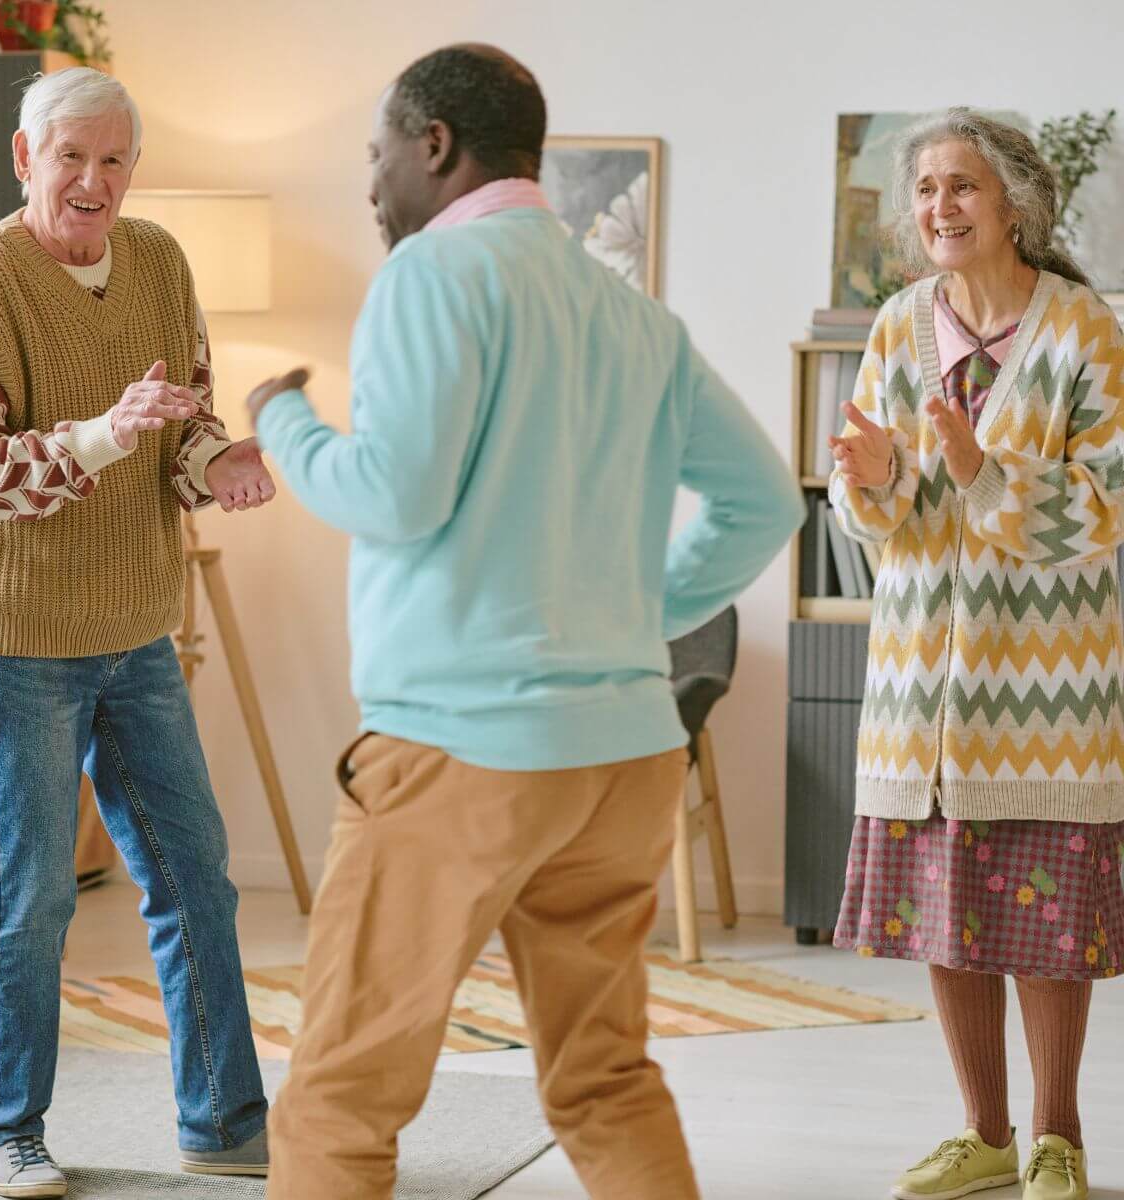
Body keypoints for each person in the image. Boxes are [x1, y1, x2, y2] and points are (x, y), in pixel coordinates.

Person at [245, 43, 803, 1200]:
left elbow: (392, 493)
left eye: (376, 154)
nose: (370, 186)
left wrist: (283, 417)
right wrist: (625, 620)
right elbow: (759, 501)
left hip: (462, 754)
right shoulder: (630, 313)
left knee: (340, 1095)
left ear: (434, 144)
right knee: (602, 1082)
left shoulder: (432, 277)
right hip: (621, 757)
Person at [0, 67, 271, 1196]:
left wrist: (218, 460)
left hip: (132, 622)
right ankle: (5, 1127)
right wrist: (110, 436)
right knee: (32, 890)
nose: (93, 180)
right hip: (15, 631)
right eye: (70, 156)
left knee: (194, 876)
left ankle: (222, 1122)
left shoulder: (161, 261)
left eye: (113, 160)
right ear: (25, 160)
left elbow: (183, 418)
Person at [829, 108, 1124, 1200]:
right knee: (945, 910)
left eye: (960, 187)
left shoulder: (1084, 328)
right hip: (917, 673)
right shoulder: (899, 324)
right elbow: (884, 522)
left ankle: (1057, 1137)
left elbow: (1108, 504)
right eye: (924, 190)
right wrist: (869, 483)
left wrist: (979, 470)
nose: (938, 207)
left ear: (1012, 206)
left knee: (1047, 922)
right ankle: (983, 1135)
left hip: (1045, 678)